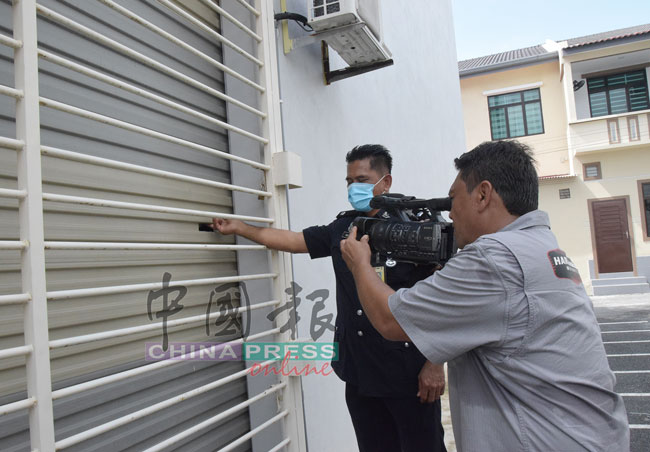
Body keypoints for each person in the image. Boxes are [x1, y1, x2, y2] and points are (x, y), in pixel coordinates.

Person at [341, 140, 630, 452]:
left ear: (482, 195)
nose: (449, 213)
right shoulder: (541, 246)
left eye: (453, 200)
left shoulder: (494, 259)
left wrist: (360, 264)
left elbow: (389, 319)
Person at [213, 144, 447, 452]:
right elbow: (295, 241)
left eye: (362, 180)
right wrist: (241, 228)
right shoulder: (344, 228)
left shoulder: (418, 231)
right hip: (359, 372)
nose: (354, 188)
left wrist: (435, 363)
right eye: (349, 182)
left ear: (385, 182)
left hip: (408, 374)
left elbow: (442, 305)